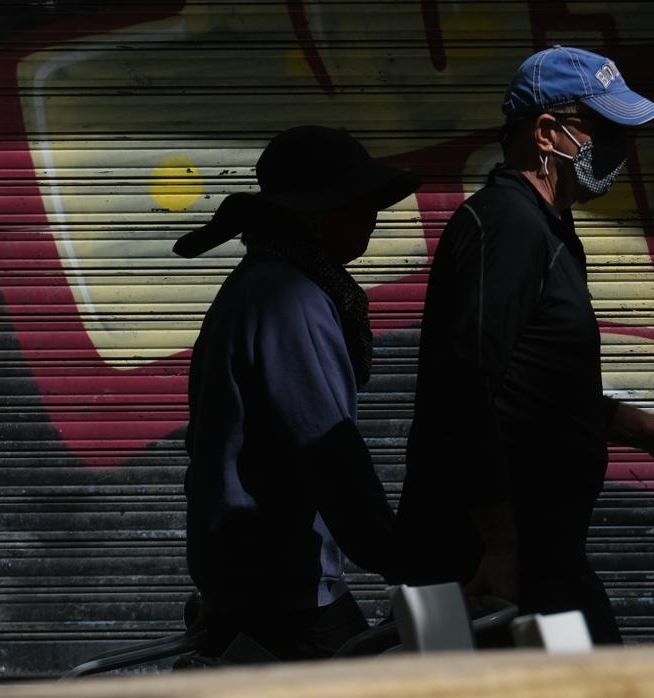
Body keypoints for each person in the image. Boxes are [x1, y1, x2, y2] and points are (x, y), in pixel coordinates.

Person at [396, 46, 654, 645]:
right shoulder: (508, 226)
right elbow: (466, 387)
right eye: (607, 131)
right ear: (548, 133)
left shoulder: (542, 226)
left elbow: (534, 390)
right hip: (495, 557)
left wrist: (651, 432)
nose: (621, 151)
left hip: (537, 549)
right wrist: (500, 545)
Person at [174, 126, 420, 661]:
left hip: (251, 578)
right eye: (360, 202)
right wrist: (406, 561)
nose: (373, 216)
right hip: (283, 591)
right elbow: (329, 453)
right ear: (315, 214)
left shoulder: (260, 286)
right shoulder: (290, 301)